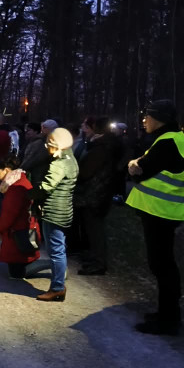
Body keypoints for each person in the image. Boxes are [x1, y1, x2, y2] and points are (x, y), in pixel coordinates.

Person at [127, 99, 184, 335]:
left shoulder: (167, 142)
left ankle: (168, 320)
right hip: (164, 212)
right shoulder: (176, 139)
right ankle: (165, 314)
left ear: (159, 119)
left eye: (148, 116)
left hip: (160, 213)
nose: (144, 120)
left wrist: (134, 165)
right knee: (162, 264)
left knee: (162, 265)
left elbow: (139, 171)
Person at [28, 127, 78, 301]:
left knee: (55, 251)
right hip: (64, 209)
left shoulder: (60, 163)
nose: (46, 148)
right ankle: (58, 285)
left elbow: (47, 186)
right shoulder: (71, 158)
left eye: (49, 144)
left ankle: (57, 287)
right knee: (59, 249)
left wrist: (29, 193)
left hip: (54, 210)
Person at [73, 117, 122, 275]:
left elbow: (87, 171)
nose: (83, 131)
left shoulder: (101, 148)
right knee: (92, 228)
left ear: (95, 129)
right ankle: (94, 257)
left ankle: (98, 262)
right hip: (96, 192)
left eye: (86, 127)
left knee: (95, 229)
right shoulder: (101, 145)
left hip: (95, 194)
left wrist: (76, 172)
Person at [0, 156, 41, 278]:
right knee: (19, 267)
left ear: (7, 170)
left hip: (17, 234)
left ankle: (51, 266)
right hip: (23, 231)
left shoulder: (15, 188)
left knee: (16, 273)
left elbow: (9, 216)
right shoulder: (19, 181)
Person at [21, 120, 53, 191]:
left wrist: (20, 169)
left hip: (36, 177)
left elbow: (30, 160)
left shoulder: (39, 143)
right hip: (33, 176)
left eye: (29, 130)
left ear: (36, 131)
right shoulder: (31, 141)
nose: (26, 132)